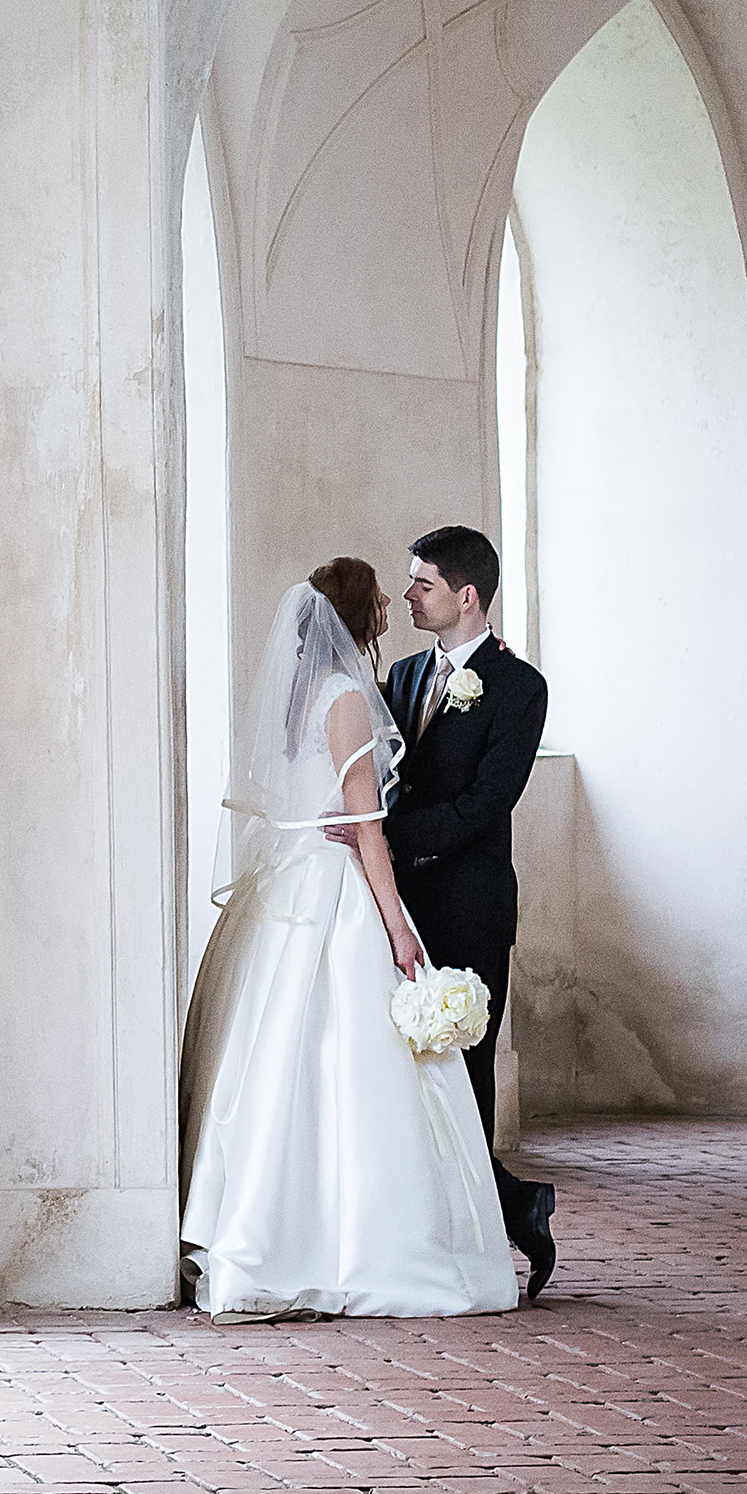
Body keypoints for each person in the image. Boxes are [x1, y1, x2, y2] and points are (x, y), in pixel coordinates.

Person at [176, 558, 521, 1321]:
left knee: (278, 1064)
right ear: (354, 615)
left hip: (283, 891)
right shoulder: (346, 697)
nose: (392, 605)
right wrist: (398, 929)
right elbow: (366, 827)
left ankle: (260, 1225)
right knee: (354, 1068)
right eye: (380, 597)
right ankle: (350, 1244)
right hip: (333, 892)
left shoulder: (297, 696)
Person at [381, 525, 559, 1299]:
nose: (408, 596)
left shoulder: (519, 688)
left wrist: (391, 839)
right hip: (397, 904)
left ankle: (482, 1239)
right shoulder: (402, 676)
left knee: (466, 1067)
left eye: (422, 584)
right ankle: (495, 1210)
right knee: (404, 1070)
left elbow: (487, 802)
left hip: (468, 902)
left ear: (467, 596)